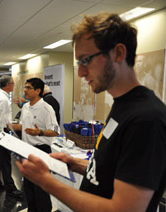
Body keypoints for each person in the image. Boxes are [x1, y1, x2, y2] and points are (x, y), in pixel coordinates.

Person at [16, 13, 166, 212]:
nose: (80, 72)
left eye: (86, 60)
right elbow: (117, 172)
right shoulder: (123, 106)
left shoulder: (146, 119)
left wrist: (47, 182)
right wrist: (76, 164)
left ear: (118, 53)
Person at [11, 77, 59, 212]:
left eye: (28, 88)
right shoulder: (26, 107)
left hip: (41, 151)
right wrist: (12, 126)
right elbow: (25, 126)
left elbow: (55, 131)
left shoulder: (46, 108)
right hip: (26, 150)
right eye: (25, 87)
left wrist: (40, 132)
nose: (25, 90)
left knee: (41, 190)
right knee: (29, 189)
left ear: (38, 91)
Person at [0, 75, 23, 198]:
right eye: (13, 83)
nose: (14, 86)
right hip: (0, 132)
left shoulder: (0, 96)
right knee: (5, 161)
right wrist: (1, 137)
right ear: (7, 85)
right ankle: (11, 188)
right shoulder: (2, 99)